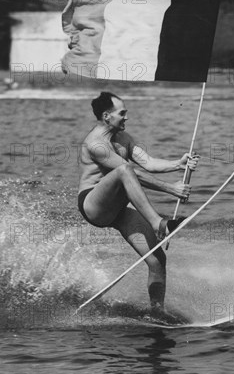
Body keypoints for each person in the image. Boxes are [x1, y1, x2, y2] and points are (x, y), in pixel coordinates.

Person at [78, 91, 199, 315]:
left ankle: (157, 312)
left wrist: (178, 164)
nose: (126, 117)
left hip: (119, 209)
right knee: (125, 169)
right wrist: (171, 188)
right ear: (106, 116)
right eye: (122, 113)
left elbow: (149, 163)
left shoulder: (124, 138)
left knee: (157, 260)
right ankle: (158, 223)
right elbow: (130, 173)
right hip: (94, 206)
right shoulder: (96, 144)